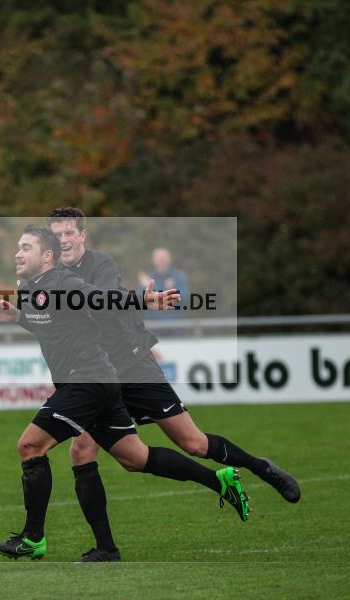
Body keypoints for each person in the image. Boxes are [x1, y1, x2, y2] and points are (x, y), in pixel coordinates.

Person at [48, 207, 300, 562]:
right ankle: (106, 548)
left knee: (194, 443)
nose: (63, 240)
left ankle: (262, 468)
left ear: (82, 236)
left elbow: (100, 302)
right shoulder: (53, 275)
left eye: (68, 233)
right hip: (97, 375)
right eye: (56, 235)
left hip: (131, 363)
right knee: (90, 452)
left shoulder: (100, 264)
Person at [0, 225, 250, 561]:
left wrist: (144, 299)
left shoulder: (64, 282)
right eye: (17, 247)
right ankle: (218, 483)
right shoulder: (32, 289)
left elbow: (104, 298)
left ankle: (33, 538)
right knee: (135, 458)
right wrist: (16, 316)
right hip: (99, 382)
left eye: (26, 247)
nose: (17, 253)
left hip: (88, 381)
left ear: (47, 256)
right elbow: (48, 324)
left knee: (30, 445)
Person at [138, 247, 190, 320]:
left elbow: (186, 298)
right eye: (158, 259)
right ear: (153, 261)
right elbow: (140, 302)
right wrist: (145, 287)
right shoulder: (147, 280)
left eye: (163, 259)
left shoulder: (179, 277)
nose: (161, 262)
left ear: (170, 259)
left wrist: (172, 291)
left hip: (176, 325)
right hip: (152, 326)